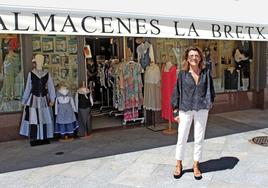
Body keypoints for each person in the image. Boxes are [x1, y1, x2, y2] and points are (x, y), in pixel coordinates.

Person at [171, 46, 215, 180]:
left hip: (202, 108)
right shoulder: (182, 74)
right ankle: (178, 164)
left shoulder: (205, 72)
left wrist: (209, 103)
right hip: (185, 109)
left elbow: (211, 89)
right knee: (182, 137)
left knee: (199, 138)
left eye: (196, 55)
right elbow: (176, 92)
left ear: (200, 57)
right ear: (187, 59)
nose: (194, 58)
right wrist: (175, 110)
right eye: (191, 56)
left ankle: (196, 165)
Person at [19, 54, 56, 146]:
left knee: (45, 118)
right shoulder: (31, 74)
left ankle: (44, 136)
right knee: (34, 119)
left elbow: (51, 87)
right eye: (38, 60)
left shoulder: (47, 74)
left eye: (41, 60)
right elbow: (28, 88)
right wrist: (24, 100)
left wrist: (52, 99)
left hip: (44, 100)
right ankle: (35, 137)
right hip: (34, 100)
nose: (39, 62)